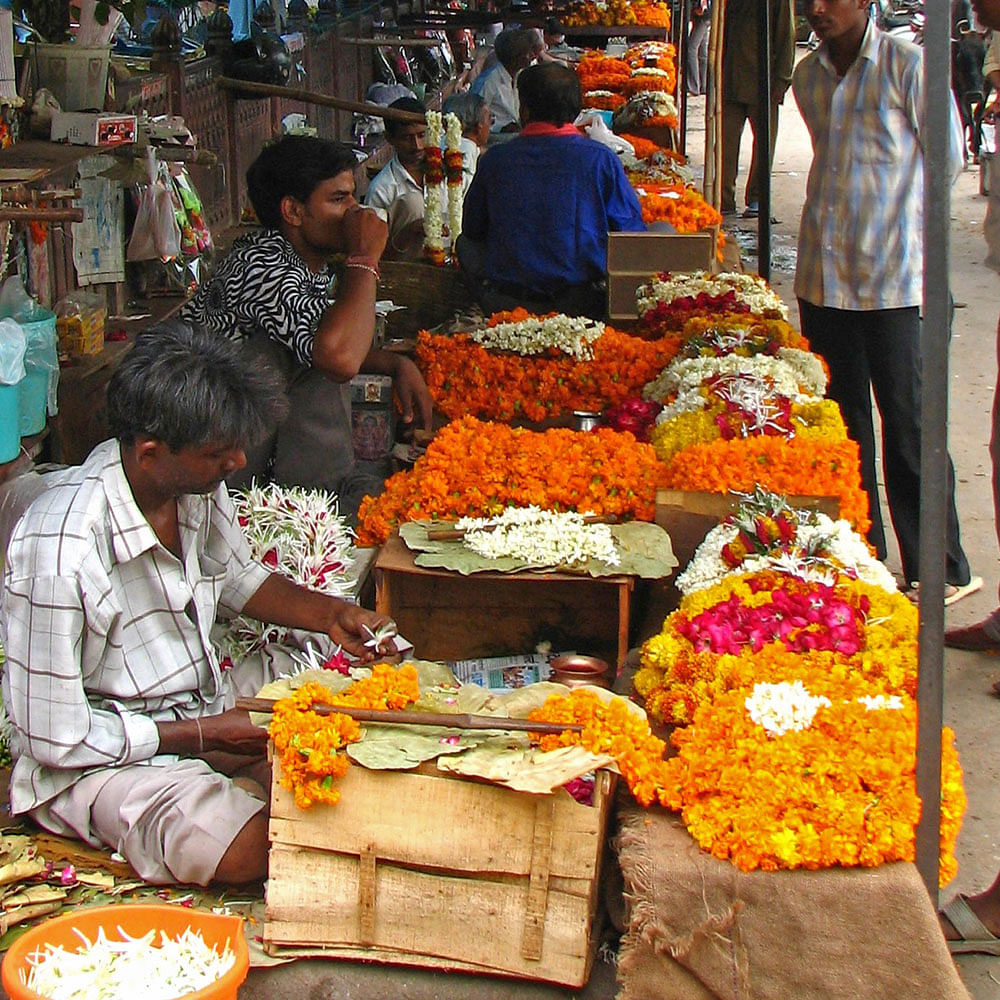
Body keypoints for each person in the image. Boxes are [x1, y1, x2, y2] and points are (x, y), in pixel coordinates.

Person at [0, 325, 399, 887]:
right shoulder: (59, 549)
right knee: (253, 849)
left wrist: (328, 614)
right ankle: (215, 793)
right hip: (96, 759)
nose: (237, 461)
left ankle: (233, 778)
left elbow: (236, 575)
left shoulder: (190, 488)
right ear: (151, 453)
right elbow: (55, 737)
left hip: (195, 711)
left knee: (338, 766)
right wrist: (205, 736)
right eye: (219, 452)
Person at [793, 0, 980, 604]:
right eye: (807, 0)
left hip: (899, 280)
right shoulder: (807, 76)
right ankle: (862, 556)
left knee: (910, 428)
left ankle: (940, 569)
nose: (817, 9)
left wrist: (896, 219)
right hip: (825, 277)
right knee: (845, 431)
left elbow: (946, 159)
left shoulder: (909, 64)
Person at [181, 135, 432, 522]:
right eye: (338, 199)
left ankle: (316, 502)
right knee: (322, 365)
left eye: (353, 197)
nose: (354, 212)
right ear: (293, 210)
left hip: (246, 431)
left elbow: (318, 335)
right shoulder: (260, 263)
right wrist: (364, 257)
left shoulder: (304, 262)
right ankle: (316, 509)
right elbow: (336, 358)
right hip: (206, 440)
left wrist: (395, 365)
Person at [457, 62, 646, 319]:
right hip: (584, 301)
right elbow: (630, 231)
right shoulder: (600, 159)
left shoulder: (495, 160)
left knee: (464, 245)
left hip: (509, 301)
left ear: (525, 109)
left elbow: (472, 228)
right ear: (576, 109)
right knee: (659, 232)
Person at [720, 0, 795, 217]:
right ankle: (724, 198)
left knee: (764, 144)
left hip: (764, 82)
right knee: (726, 144)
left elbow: (786, 37)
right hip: (732, 79)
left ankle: (756, 197)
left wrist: (782, 80)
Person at [363, 96, 429, 261]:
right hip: (404, 270)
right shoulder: (381, 189)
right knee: (412, 202)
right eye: (407, 138)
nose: (417, 146)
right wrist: (410, 231)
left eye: (422, 135)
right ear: (389, 138)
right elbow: (372, 253)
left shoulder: (447, 170)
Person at [470, 27, 536, 133]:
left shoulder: (520, 76)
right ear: (515, 57)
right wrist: (499, 128)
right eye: (527, 53)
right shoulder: (488, 81)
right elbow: (472, 117)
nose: (532, 56)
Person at [441, 91, 491, 194]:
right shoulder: (466, 155)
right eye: (490, 119)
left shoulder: (441, 142)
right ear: (479, 125)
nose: (490, 125)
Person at [687, 0, 712, 97]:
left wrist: (701, 7)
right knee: (702, 51)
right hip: (705, 15)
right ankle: (704, 85)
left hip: (703, 15)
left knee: (691, 49)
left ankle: (694, 86)